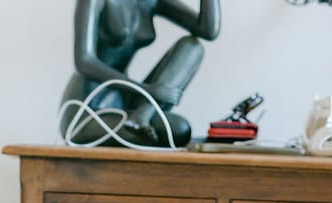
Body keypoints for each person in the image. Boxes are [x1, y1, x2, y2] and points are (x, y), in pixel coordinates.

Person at [60, 0, 221, 147]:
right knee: (177, 130)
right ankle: (139, 119)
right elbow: (83, 61)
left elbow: (208, 31)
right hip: (89, 108)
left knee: (192, 47)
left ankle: (143, 114)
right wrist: (145, 89)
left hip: (127, 104)